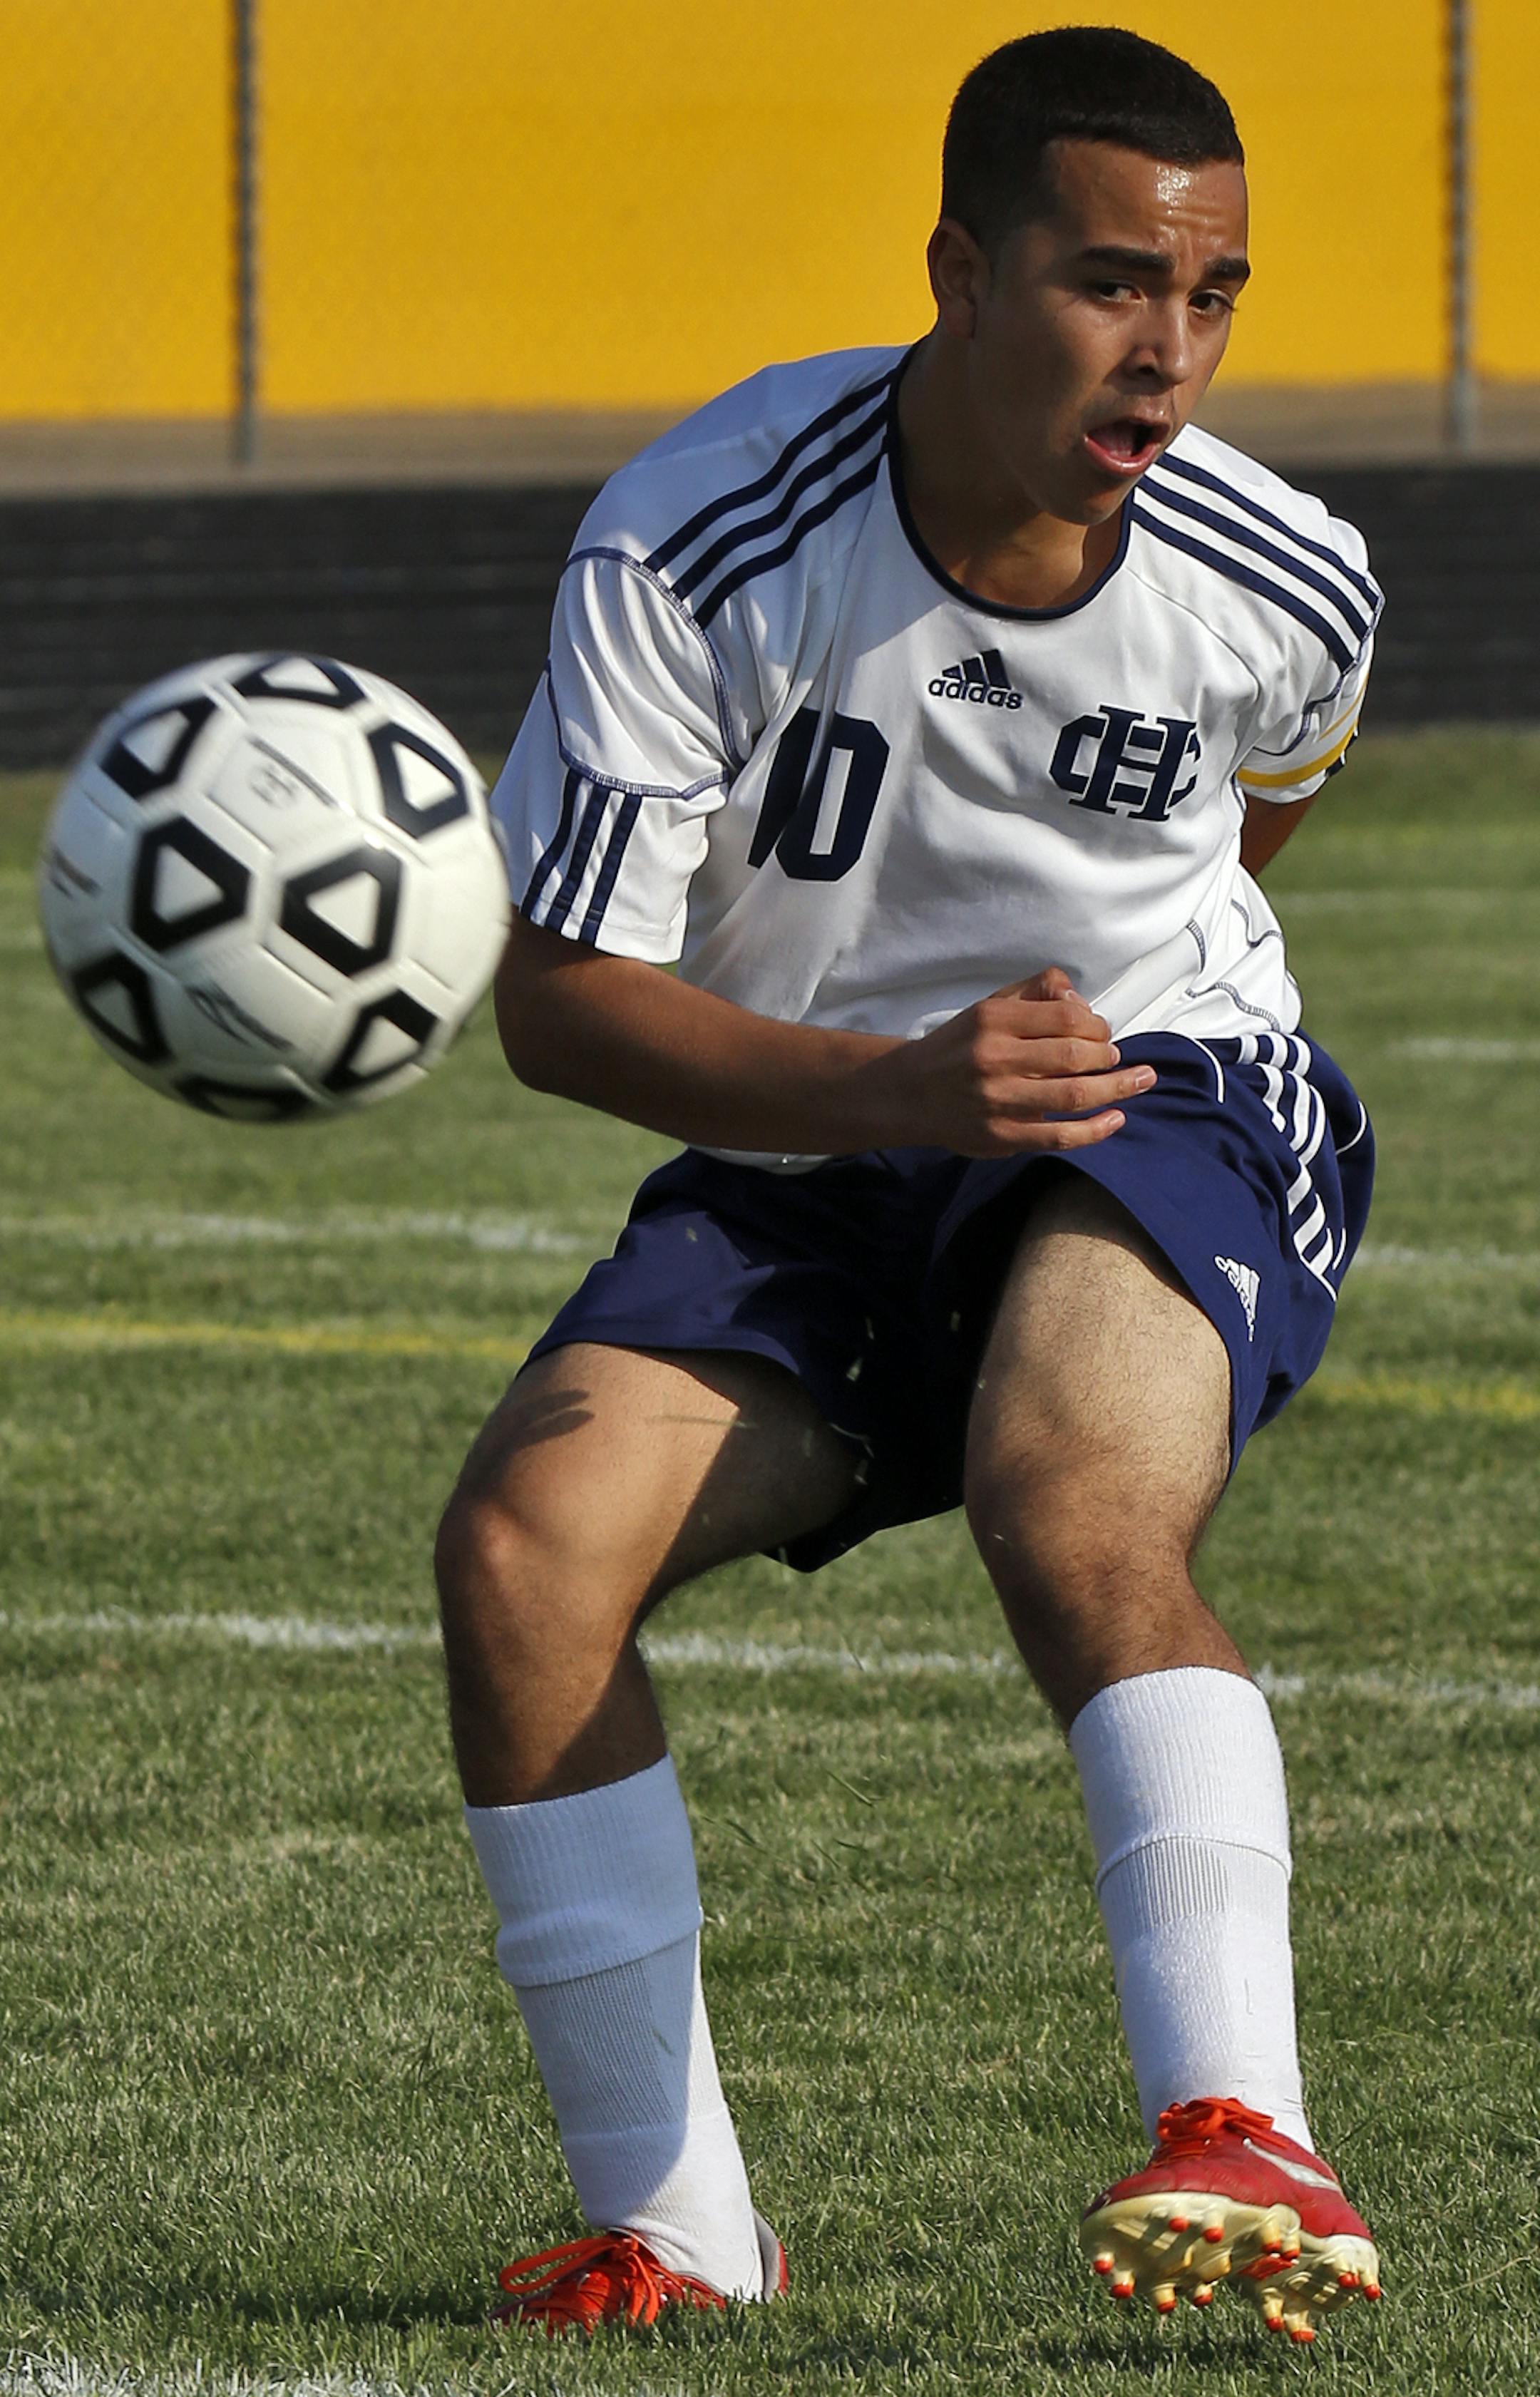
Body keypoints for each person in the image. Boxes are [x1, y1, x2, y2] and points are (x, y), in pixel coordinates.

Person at [436, 24, 1383, 2345]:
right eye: (1104, 281)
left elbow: (1258, 818)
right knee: (525, 1554)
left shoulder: (1290, 573)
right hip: (832, 1133)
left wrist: (1037, 1060)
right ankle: (675, 2224)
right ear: (956, 268)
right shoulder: (699, 535)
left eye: (1215, 293)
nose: (1166, 348)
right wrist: (896, 1085)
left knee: (1071, 1496)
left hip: (1159, 1085)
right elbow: (559, 999)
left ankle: (1241, 2120)